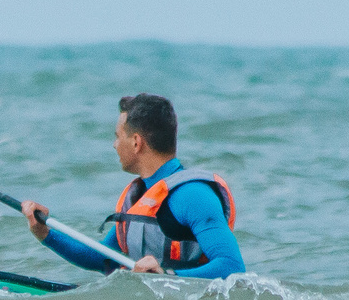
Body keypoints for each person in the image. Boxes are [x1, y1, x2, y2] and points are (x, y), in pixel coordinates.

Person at [22, 93, 245, 279]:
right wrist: (45, 233)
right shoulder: (140, 196)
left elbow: (232, 267)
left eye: (118, 136)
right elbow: (103, 257)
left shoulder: (193, 195)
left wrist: (168, 275)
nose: (114, 144)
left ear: (136, 143)